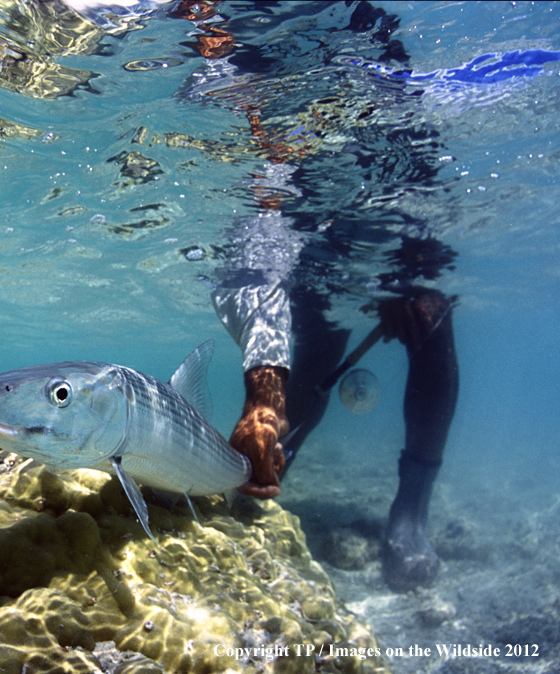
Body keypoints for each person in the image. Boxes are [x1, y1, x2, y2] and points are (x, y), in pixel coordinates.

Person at [170, 0, 460, 591]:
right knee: (321, 342)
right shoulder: (213, 31)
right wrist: (264, 404)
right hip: (309, 185)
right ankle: (279, 448)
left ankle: (411, 508)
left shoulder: (359, 33)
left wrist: (411, 267)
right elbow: (258, 276)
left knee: (428, 312)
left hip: (383, 153)